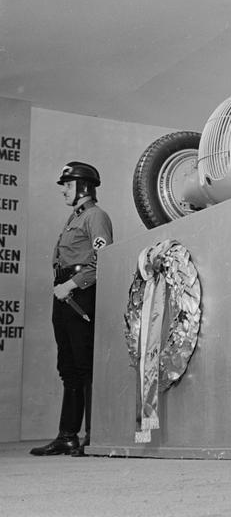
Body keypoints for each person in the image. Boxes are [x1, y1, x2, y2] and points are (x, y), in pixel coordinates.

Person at [30, 162, 113, 456]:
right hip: (64, 292)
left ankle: (93, 436)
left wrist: (73, 284)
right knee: (68, 367)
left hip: (80, 294)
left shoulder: (96, 216)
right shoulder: (74, 217)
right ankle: (67, 436)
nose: (64, 190)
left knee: (84, 365)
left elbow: (104, 259)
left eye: (68, 184)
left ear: (84, 187)